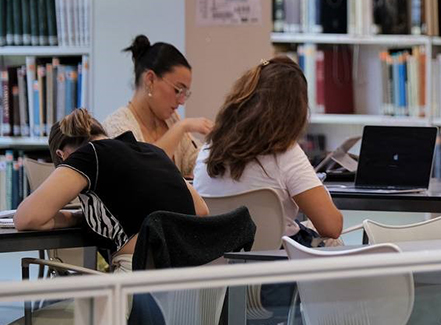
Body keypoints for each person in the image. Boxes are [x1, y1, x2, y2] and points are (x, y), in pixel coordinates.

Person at [14, 108, 209, 273]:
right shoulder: (152, 151)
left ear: (62, 156)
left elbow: (26, 218)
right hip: (186, 277)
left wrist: (74, 218)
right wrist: (79, 217)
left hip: (134, 278)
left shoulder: (88, 154)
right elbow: (201, 209)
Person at [193, 56, 343, 243]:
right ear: (295, 110)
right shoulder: (286, 153)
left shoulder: (210, 147)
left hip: (214, 259)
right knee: (332, 242)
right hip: (274, 262)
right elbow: (332, 226)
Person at [103, 35, 214, 177]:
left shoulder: (171, 120)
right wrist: (181, 127)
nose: (181, 101)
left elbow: (195, 159)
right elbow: (143, 171)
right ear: (150, 80)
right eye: (178, 90)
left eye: (185, 93)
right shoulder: (116, 126)